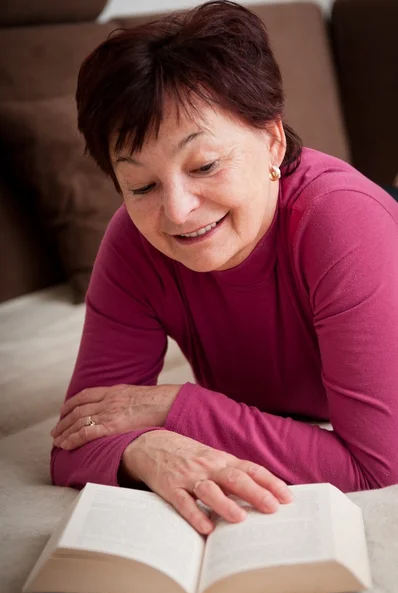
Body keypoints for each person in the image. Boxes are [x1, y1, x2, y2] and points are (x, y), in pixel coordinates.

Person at [50, 0, 398, 535]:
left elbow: (376, 465)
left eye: (205, 165)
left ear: (272, 140)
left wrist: (172, 408)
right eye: (141, 185)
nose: (177, 211)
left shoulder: (342, 223)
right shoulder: (134, 241)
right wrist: (148, 448)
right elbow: (76, 438)